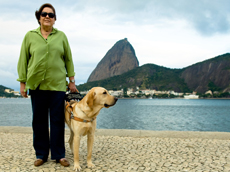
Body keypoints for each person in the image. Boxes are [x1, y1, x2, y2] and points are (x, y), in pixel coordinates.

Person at [17, 3, 78, 167]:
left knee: (57, 121)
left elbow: (68, 59)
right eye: (44, 14)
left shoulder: (61, 36)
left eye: (51, 15)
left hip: (57, 86)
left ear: (55, 19)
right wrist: (22, 83)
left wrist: (71, 81)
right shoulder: (30, 36)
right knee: (39, 121)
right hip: (36, 86)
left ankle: (59, 155)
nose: (47, 17)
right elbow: (23, 60)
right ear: (39, 17)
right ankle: (41, 154)